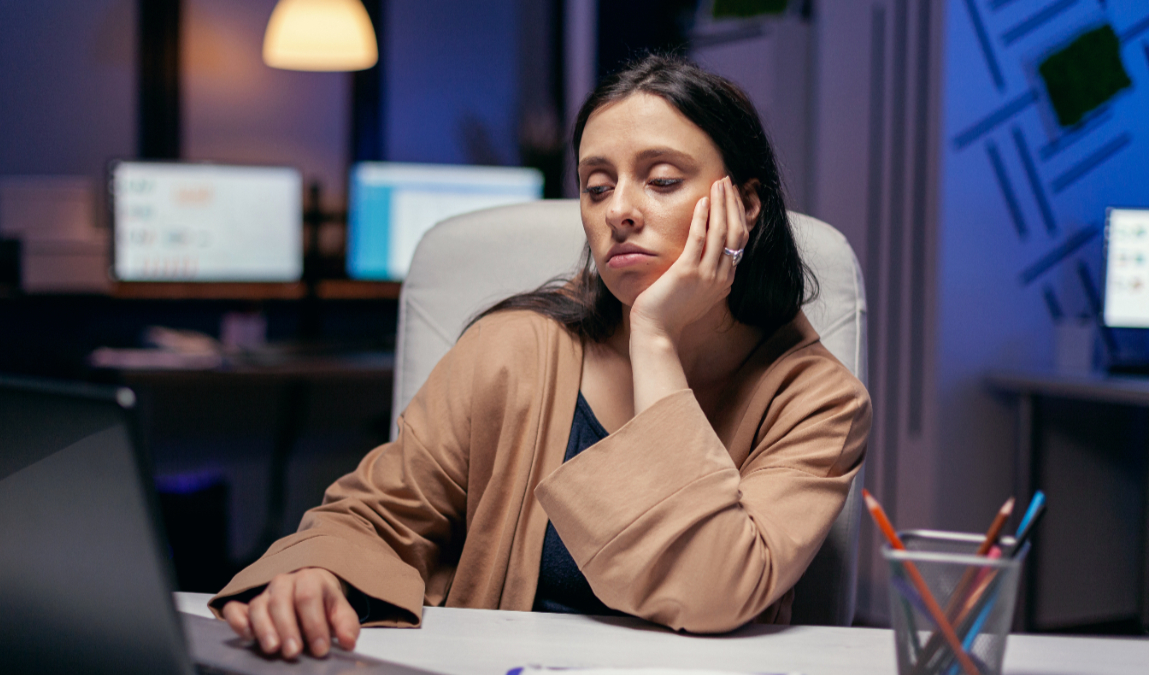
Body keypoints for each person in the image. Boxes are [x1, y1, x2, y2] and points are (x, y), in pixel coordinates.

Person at [211, 54, 871, 660]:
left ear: (745, 207)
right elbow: (376, 513)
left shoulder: (816, 400)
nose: (621, 210)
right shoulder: (515, 347)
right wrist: (318, 572)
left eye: (661, 180)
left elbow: (710, 589)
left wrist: (655, 338)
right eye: (597, 186)